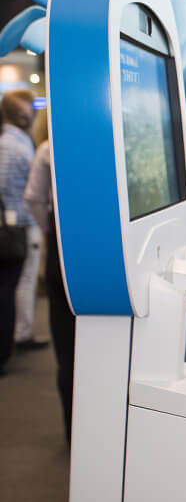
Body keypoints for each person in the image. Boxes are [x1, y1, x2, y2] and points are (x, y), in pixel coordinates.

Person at [24, 113, 76, 443]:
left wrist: (49, 230)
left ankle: (74, 433)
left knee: (67, 354)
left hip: (62, 255)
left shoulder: (47, 149)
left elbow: (33, 199)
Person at [0, 89, 44, 358]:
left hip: (11, 225)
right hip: (19, 226)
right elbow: (30, 190)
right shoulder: (17, 145)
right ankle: (20, 333)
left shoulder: (7, 142)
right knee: (21, 283)